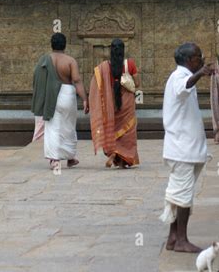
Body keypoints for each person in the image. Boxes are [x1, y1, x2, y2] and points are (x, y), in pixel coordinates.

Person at [160, 42, 213, 253]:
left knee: (180, 193)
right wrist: (200, 73)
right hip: (181, 148)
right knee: (182, 194)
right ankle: (181, 239)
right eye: (198, 57)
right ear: (189, 60)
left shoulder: (181, 77)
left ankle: (173, 237)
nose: (201, 59)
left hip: (187, 148)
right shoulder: (179, 78)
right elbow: (184, 87)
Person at [31, 33, 88, 170]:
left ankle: (55, 160)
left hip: (51, 96)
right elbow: (77, 80)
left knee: (52, 128)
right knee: (68, 126)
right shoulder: (70, 61)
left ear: (52, 44)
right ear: (65, 45)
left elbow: (37, 78)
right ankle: (70, 158)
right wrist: (85, 99)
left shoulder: (43, 60)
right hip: (67, 95)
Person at [88, 38, 140, 168]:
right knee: (127, 132)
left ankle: (113, 153)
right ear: (123, 50)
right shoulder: (130, 64)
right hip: (127, 102)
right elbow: (137, 84)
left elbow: (97, 85)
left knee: (114, 129)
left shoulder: (104, 67)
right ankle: (123, 160)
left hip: (111, 103)